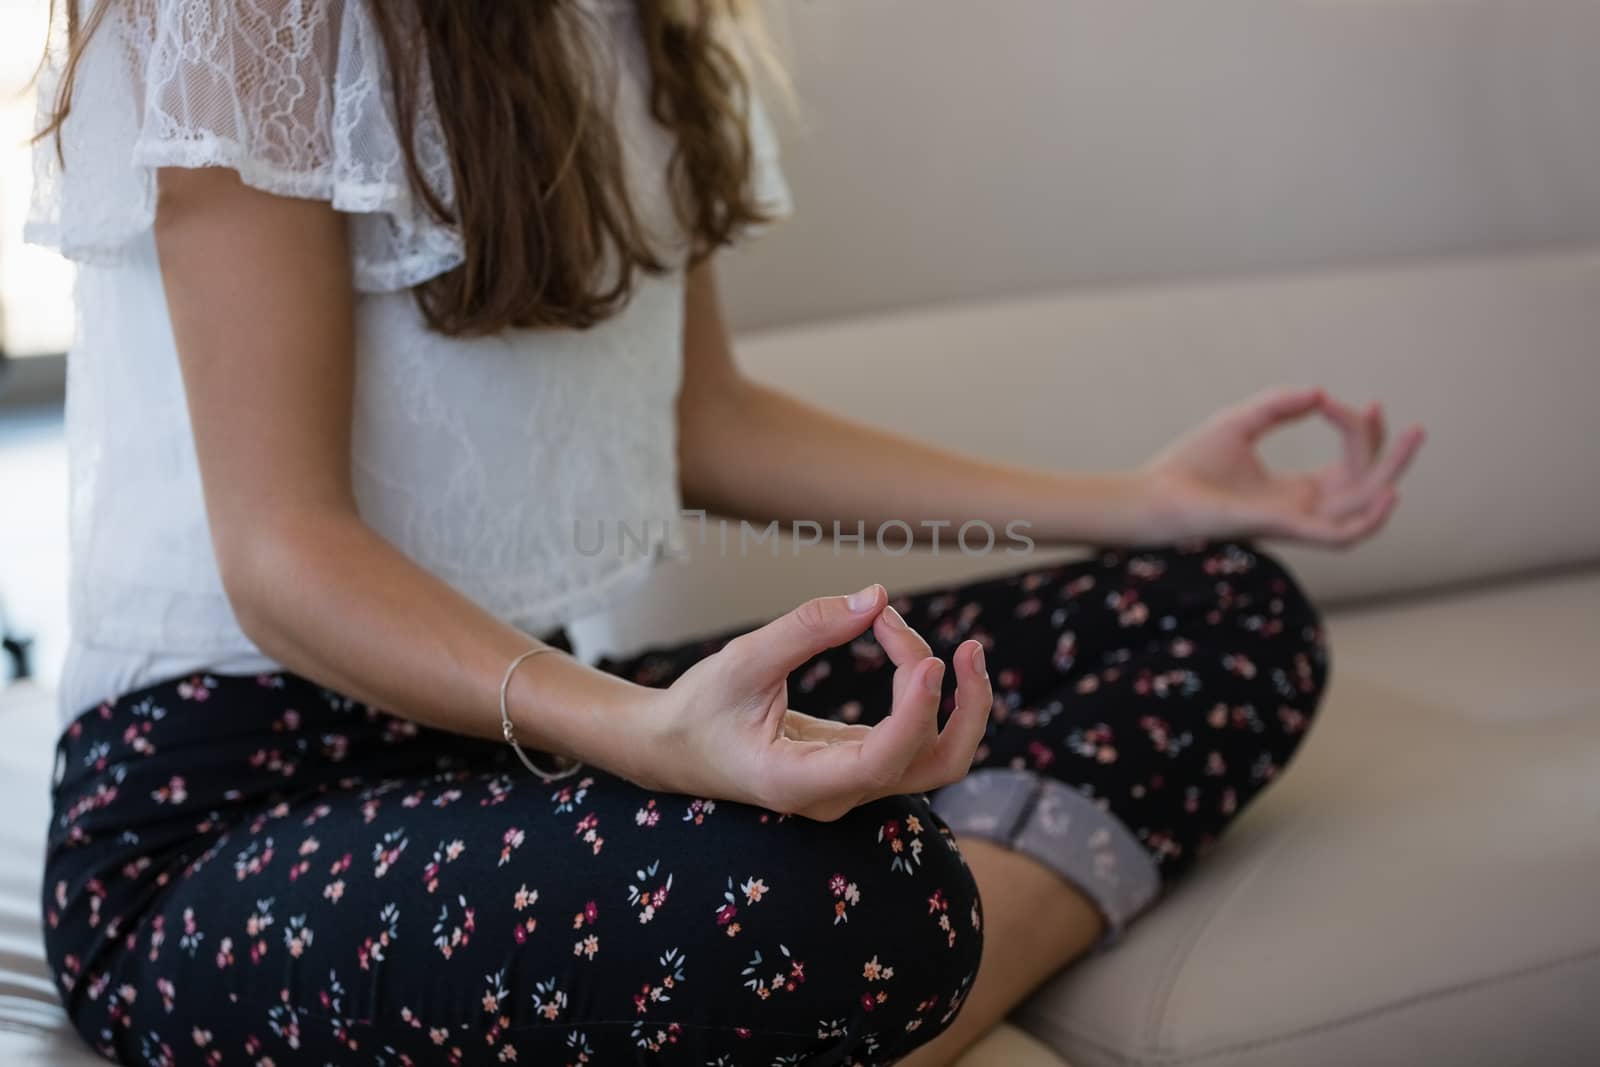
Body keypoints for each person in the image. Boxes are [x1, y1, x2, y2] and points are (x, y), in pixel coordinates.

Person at [28, 1, 1425, 1064]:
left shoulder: (640, 27)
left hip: (524, 745)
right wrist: (645, 736)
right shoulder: (249, 18)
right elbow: (283, 555)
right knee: (868, 894)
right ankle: (894, 982)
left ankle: (888, 1015)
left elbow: (708, 425)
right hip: (227, 806)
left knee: (1212, 610)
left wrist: (1143, 503)